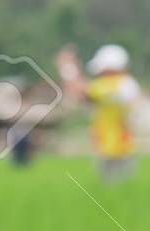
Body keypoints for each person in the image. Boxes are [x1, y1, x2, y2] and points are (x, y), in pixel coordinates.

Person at [57, 43, 140, 183]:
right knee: (113, 194)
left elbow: (83, 90)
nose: (100, 74)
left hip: (117, 150)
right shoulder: (121, 85)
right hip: (111, 149)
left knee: (115, 192)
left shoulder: (120, 84)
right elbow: (86, 97)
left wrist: (68, 68)